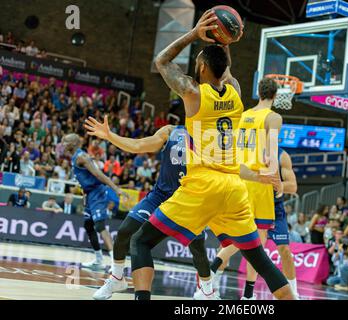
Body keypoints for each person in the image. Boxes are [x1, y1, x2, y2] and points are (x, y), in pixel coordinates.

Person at [130, 10, 294, 301]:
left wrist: (194, 34)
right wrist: (226, 39)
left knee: (140, 242)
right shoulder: (235, 91)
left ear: (203, 67)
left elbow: (161, 61)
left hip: (202, 185)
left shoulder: (194, 93)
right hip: (233, 188)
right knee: (259, 259)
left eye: (198, 62)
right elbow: (225, 68)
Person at [84, 116, 278, 300]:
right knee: (125, 232)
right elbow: (139, 145)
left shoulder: (211, 138)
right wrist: (110, 136)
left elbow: (235, 168)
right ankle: (117, 278)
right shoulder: (171, 131)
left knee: (198, 250)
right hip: (160, 196)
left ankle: (207, 290)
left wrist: (258, 174)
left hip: (191, 201)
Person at [208, 75, 285, 300]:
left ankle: (213, 274)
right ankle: (245, 293)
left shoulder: (244, 115)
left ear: (259, 93)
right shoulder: (273, 117)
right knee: (257, 244)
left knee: (242, 238)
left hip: (238, 179)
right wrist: (277, 182)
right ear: (276, 95)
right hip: (258, 182)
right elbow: (271, 154)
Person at [62, 133, 129, 271]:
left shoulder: (82, 157)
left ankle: (116, 263)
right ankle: (98, 260)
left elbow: (98, 175)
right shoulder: (74, 157)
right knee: (88, 225)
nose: (63, 144)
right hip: (89, 194)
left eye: (65, 141)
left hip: (97, 193)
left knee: (99, 225)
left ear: (73, 143)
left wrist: (116, 189)